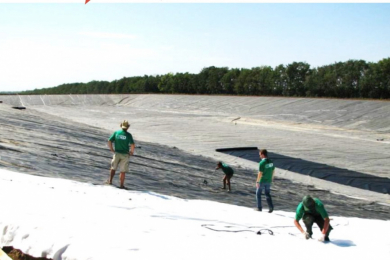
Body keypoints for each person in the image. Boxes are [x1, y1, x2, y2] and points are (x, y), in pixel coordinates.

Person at [107, 120, 135, 189]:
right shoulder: (128, 135)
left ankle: (110, 181)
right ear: (128, 127)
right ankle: (121, 185)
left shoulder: (116, 133)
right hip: (125, 155)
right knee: (122, 171)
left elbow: (109, 140)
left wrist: (111, 149)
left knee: (113, 168)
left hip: (117, 153)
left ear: (121, 126)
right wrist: (131, 152)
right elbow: (132, 144)